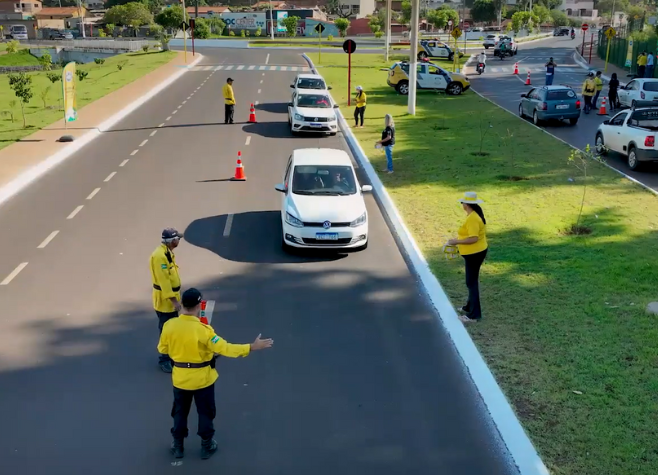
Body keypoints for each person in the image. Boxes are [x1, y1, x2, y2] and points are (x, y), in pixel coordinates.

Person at [158, 288, 273, 460]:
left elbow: (163, 348)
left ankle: (178, 446)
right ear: (198, 306)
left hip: (180, 379)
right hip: (202, 379)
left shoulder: (169, 326)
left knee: (180, 412)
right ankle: (206, 445)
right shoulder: (204, 330)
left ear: (182, 305)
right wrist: (251, 347)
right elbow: (224, 348)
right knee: (205, 412)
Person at [447, 192, 488, 323]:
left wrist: (456, 242)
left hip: (474, 253)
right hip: (474, 253)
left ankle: (474, 315)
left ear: (466, 204)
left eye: (462, 202)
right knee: (470, 281)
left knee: (471, 283)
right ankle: (468, 307)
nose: (462, 204)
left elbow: (473, 238)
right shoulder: (473, 216)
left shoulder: (473, 219)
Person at [150, 228, 183, 373]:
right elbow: (164, 282)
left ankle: (171, 355)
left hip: (170, 299)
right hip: (165, 302)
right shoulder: (159, 256)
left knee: (172, 329)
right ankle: (164, 360)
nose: (179, 241)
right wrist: (174, 301)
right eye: (178, 239)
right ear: (172, 241)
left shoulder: (167, 252)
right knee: (166, 330)